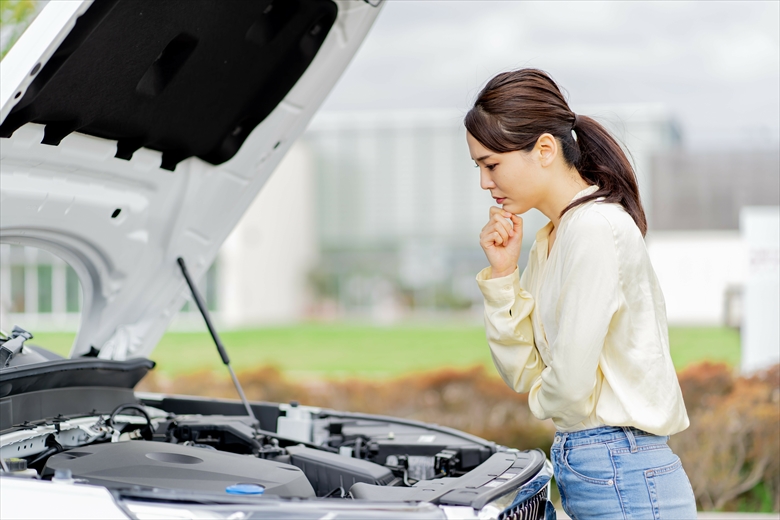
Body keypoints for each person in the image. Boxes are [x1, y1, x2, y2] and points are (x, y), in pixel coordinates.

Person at [466, 69, 696, 520]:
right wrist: (503, 275)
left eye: (491, 164)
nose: (484, 182)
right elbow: (524, 370)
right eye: (478, 167)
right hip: (597, 460)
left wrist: (543, 400)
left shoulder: (594, 228)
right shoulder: (552, 239)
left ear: (545, 149)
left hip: (620, 463)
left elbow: (567, 386)